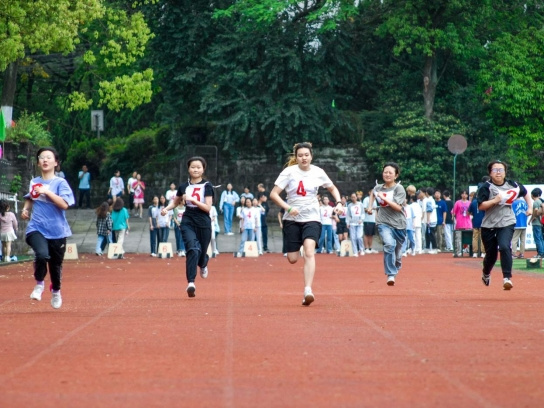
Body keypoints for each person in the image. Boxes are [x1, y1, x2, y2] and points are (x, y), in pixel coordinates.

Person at [270, 142, 343, 306]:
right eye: (300, 155)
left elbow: (332, 189)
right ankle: (302, 244)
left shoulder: (318, 172)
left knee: (309, 252)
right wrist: (288, 208)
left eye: (306, 155)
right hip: (292, 219)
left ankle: (308, 290)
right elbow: (274, 194)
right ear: (296, 157)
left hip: (312, 217)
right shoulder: (288, 172)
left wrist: (338, 203)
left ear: (311, 156)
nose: (303, 158)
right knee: (293, 259)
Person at [23, 147, 75, 309]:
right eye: (41, 157)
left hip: (57, 231)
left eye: (48, 157)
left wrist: (47, 192)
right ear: (38, 162)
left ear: (56, 162)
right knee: (41, 254)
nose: (45, 160)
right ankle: (39, 284)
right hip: (36, 227)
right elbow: (30, 197)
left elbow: (64, 205)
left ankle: (56, 291)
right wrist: (26, 209)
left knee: (55, 266)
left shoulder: (60, 183)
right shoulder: (34, 181)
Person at [161, 156, 214, 297]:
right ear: (188, 169)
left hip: (203, 221)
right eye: (193, 167)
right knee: (192, 248)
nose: (195, 169)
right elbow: (175, 202)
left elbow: (208, 208)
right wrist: (166, 209)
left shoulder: (207, 186)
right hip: (188, 219)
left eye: (198, 167)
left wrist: (194, 200)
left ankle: (203, 264)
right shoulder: (183, 187)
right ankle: (191, 282)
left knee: (201, 254)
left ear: (203, 169)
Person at [477, 160, 532, 290]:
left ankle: (507, 278)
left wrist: (529, 207)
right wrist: (495, 200)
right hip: (489, 224)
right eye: (495, 170)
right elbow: (481, 206)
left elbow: (525, 193)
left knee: (504, 246)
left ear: (505, 172)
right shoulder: (485, 187)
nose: (498, 173)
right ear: (490, 172)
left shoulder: (513, 185)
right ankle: (486, 273)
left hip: (507, 221)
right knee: (491, 255)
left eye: (501, 170)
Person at [368, 163, 406, 285]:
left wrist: (384, 198)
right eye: (385, 172)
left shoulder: (399, 189)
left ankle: (397, 262)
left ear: (396, 175)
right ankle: (390, 274)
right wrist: (370, 206)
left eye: (390, 173)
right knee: (389, 245)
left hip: (399, 224)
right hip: (383, 222)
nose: (387, 174)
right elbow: (372, 194)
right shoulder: (378, 188)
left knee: (398, 254)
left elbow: (398, 208)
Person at [452, 189, 472, 257]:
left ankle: (468, 250)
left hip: (468, 223)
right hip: (460, 223)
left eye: (465, 194)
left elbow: (471, 212)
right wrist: (453, 218)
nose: (464, 195)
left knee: (469, 238)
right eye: (463, 193)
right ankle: (458, 251)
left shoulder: (469, 203)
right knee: (458, 239)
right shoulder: (457, 203)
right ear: (461, 195)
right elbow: (453, 212)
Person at [347, 192, 365, 257]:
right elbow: (348, 215)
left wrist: (361, 219)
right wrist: (348, 222)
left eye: (354, 197)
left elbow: (363, 213)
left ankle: (361, 249)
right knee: (353, 238)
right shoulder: (349, 205)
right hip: (352, 223)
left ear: (356, 197)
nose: (353, 198)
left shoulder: (361, 204)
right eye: (352, 197)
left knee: (359, 237)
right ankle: (355, 251)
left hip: (359, 223)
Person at [469, 191, 485, 257]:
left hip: (475, 222)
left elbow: (469, 212)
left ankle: (475, 253)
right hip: (483, 222)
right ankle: (483, 253)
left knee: (475, 237)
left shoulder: (473, 202)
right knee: (482, 238)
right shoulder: (484, 202)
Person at [361, 188, 378, 253]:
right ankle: (366, 248)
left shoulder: (375, 200)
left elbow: (375, 210)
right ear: (369, 192)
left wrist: (376, 219)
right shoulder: (366, 199)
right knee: (366, 234)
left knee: (371, 234)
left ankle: (370, 248)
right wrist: (368, 210)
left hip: (372, 220)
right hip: (367, 219)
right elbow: (364, 208)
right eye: (372, 192)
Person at [529, 188, 544, 258]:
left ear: (532, 195)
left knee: (537, 238)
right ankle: (542, 252)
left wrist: (532, 218)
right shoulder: (541, 201)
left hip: (536, 223)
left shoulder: (535, 202)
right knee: (541, 238)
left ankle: (540, 253)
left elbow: (535, 210)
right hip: (541, 223)